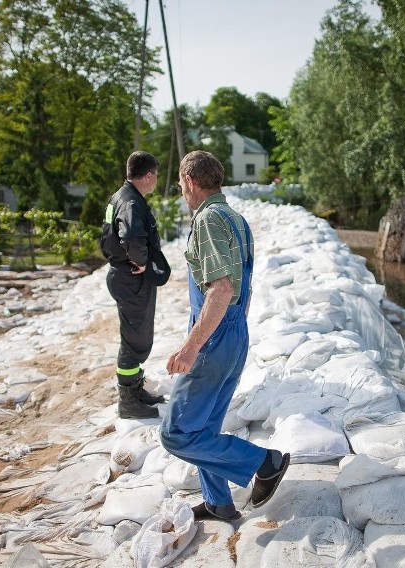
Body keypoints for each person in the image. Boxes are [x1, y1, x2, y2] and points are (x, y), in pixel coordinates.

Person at [160, 150, 290, 521]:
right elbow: (243, 287)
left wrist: (191, 346)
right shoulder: (236, 218)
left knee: (177, 434)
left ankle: (266, 462)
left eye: (181, 185)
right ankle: (218, 501)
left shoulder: (208, 221)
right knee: (205, 427)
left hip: (215, 336)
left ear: (190, 181)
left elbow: (220, 289)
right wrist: (233, 331)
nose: (181, 192)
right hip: (234, 332)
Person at [100, 151, 168, 419]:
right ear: (148, 175)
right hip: (131, 278)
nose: (156, 181)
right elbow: (130, 234)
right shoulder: (130, 202)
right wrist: (140, 261)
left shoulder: (120, 195)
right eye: (156, 176)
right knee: (134, 341)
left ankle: (136, 390)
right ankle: (128, 401)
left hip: (123, 276)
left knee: (136, 336)